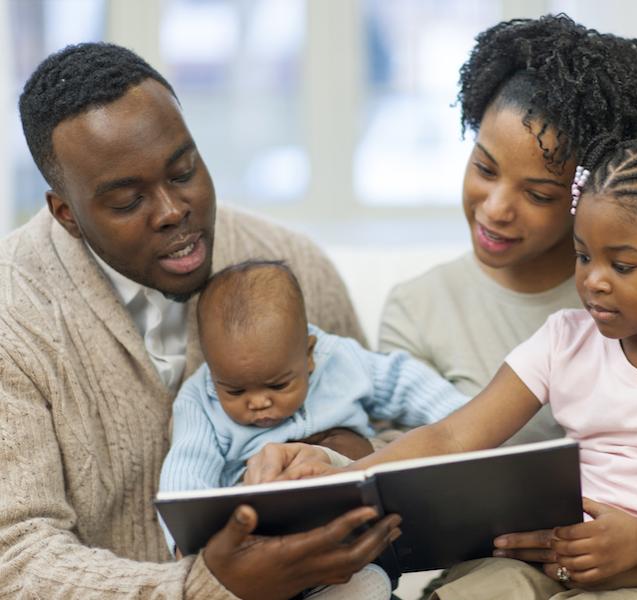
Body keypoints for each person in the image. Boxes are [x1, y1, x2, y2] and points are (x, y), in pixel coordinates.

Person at [265, 138, 637, 599]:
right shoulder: (565, 339)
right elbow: (454, 436)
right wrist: (344, 479)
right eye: (583, 255)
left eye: (623, 264)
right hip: (548, 555)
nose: (592, 280)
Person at [0, 42, 400, 599]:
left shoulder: (292, 262)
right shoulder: (11, 317)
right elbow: (15, 556)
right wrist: (202, 588)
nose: (171, 210)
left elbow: (390, 432)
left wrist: (346, 454)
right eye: (125, 201)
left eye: (183, 171)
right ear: (66, 213)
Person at [378, 15, 637, 449]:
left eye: (539, 195)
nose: (496, 208)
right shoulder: (416, 309)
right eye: (485, 168)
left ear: (589, 193)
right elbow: (408, 458)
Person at [158, 259, 469, 596]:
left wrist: (461, 416)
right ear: (211, 365)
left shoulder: (340, 360)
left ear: (308, 355)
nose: (258, 402)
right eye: (235, 391)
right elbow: (186, 471)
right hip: (269, 542)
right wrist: (187, 546)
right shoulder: (199, 399)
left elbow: (403, 381)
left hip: (352, 522)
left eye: (277, 385)